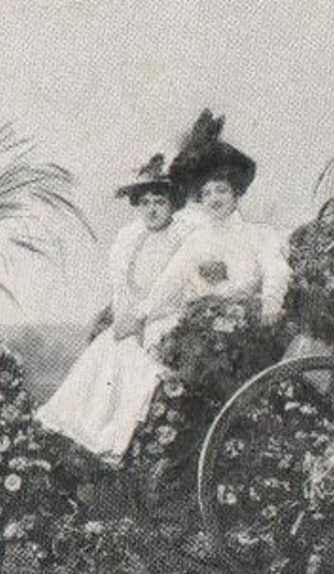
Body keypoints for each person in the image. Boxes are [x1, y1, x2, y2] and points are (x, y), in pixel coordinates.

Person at [36, 153, 192, 462]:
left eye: (159, 201)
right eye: (145, 202)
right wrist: (125, 317)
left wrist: (141, 319)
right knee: (104, 352)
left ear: (173, 204)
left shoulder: (183, 238)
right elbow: (123, 289)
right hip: (132, 320)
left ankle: (117, 442)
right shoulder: (130, 239)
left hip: (166, 318)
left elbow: (173, 289)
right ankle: (85, 440)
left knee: (137, 364)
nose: (152, 209)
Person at [137, 110, 290, 345]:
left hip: (246, 333)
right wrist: (142, 313)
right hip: (200, 331)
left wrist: (271, 300)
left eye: (221, 190)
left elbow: (276, 268)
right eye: (206, 193)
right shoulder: (196, 240)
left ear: (236, 193)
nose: (214, 198)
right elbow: (170, 281)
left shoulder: (260, 235)